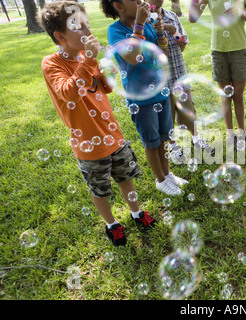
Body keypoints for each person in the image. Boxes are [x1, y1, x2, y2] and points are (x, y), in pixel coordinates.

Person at [38, 1, 158, 247]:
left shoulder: (86, 57)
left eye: (87, 25)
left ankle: (136, 213)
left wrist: (107, 71)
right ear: (60, 36)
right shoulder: (52, 64)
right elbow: (69, 92)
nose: (87, 31)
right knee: (100, 188)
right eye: (78, 27)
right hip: (88, 144)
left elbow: (107, 88)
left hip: (112, 135)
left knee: (126, 176)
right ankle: (112, 224)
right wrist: (90, 61)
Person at [100, 0, 188, 196]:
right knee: (152, 141)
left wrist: (159, 33)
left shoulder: (148, 24)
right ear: (119, 6)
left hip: (161, 90)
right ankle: (160, 180)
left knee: (165, 138)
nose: (142, 2)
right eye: (135, 0)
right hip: (141, 98)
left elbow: (162, 52)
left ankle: (167, 175)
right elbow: (132, 57)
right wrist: (140, 23)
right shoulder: (115, 31)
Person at [149, 0, 215, 159]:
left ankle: (197, 139)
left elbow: (183, 44)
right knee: (167, 115)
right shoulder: (145, 21)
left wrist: (175, 33)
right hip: (160, 79)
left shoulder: (171, 16)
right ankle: (173, 146)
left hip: (178, 72)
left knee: (188, 110)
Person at [189, 0, 246, 148]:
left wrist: (241, 13)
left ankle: (242, 133)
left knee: (238, 96)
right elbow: (192, 18)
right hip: (219, 51)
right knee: (226, 95)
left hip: (239, 50)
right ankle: (230, 135)